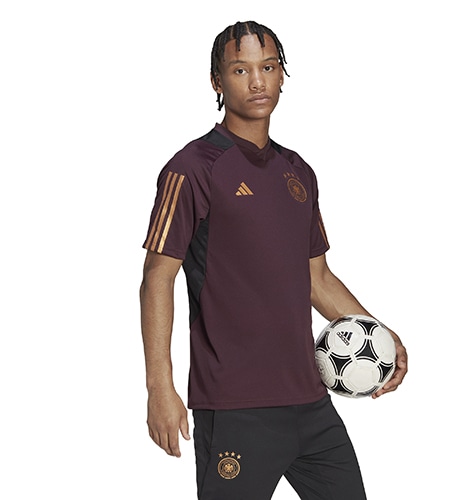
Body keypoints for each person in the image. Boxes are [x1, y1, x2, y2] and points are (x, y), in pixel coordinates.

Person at [140, 20, 408, 500]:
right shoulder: (192, 168)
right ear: (217, 81)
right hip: (235, 406)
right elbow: (158, 277)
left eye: (267, 67)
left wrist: (379, 334)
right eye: (240, 70)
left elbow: (317, 278)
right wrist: (160, 387)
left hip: (311, 400)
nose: (257, 82)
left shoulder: (298, 171)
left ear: (282, 75)